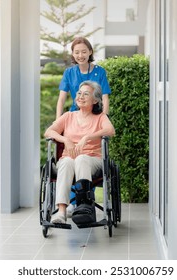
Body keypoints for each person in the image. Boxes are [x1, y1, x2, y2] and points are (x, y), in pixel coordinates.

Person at [44, 81, 115, 224]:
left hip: (92, 159)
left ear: (95, 100)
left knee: (82, 158)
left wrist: (88, 137)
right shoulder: (68, 116)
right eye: (79, 93)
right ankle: (61, 212)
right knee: (67, 162)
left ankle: (84, 206)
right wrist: (65, 140)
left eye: (86, 94)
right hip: (69, 158)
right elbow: (48, 132)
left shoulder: (100, 117)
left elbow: (110, 131)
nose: (80, 96)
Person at [56, 37, 111, 119]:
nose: (80, 56)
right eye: (77, 52)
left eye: (84, 52)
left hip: (96, 116)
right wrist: (57, 120)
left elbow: (105, 98)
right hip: (75, 116)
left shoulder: (100, 71)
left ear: (90, 52)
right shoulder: (68, 73)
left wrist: (104, 119)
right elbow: (61, 99)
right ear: (73, 54)